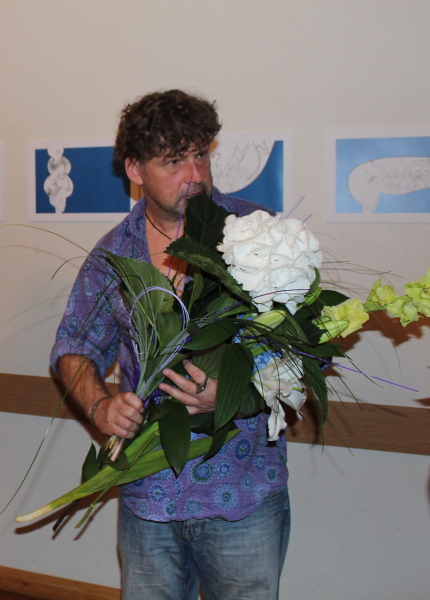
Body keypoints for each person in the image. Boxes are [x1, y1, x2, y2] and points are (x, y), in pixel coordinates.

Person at [51, 90, 289, 600]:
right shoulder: (114, 255)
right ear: (135, 169)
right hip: (149, 498)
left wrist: (235, 392)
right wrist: (99, 406)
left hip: (242, 493)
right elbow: (74, 347)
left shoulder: (258, 235)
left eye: (200, 154)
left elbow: (304, 348)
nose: (195, 174)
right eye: (174, 161)